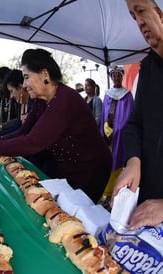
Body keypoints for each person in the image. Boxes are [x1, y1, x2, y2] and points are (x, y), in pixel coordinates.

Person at [0, 48, 112, 203]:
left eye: (26, 77)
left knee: (77, 214)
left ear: (45, 75)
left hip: (91, 169)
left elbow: (32, 142)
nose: (25, 84)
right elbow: (23, 131)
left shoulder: (65, 99)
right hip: (67, 166)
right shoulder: (41, 101)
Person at [112, 0, 163, 230]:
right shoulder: (148, 68)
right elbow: (134, 124)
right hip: (146, 204)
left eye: (141, 11)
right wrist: (133, 160)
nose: (139, 22)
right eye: (133, 16)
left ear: (160, 12)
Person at [98, 65, 133, 208]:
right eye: (113, 75)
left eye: (118, 75)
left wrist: (119, 130)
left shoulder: (127, 95)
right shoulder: (108, 94)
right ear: (111, 77)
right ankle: (106, 193)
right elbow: (104, 114)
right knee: (107, 162)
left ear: (122, 77)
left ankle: (115, 194)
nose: (116, 78)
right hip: (108, 134)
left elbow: (128, 115)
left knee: (118, 163)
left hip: (120, 135)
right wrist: (105, 129)